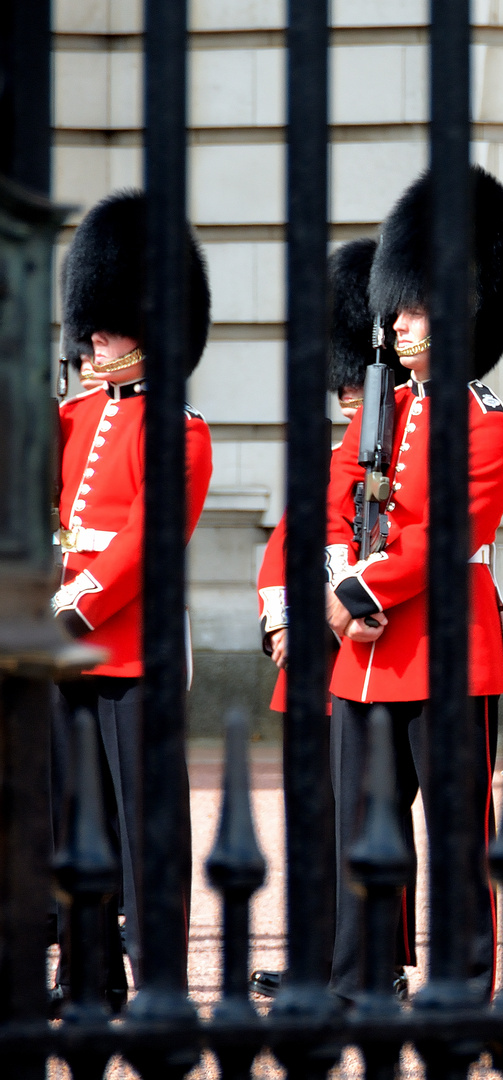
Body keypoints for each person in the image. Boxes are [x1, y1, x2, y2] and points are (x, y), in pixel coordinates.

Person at [322, 166, 503, 1000]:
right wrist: (343, 578)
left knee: (456, 833)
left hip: (443, 648)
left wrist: (359, 595)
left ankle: (465, 981)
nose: (400, 324)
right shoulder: (383, 412)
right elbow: (333, 503)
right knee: (363, 830)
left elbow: (446, 537)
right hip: (363, 655)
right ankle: (361, 976)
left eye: (415, 309)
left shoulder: (488, 425)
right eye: (397, 308)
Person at [50, 189, 214, 1001]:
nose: (93, 338)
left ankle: (158, 980)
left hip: (127, 640)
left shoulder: (179, 430)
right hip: (66, 644)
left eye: (108, 325)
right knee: (77, 822)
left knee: (148, 828)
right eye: (93, 324)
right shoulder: (75, 418)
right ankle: (86, 976)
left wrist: (76, 600)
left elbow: (150, 540)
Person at [248, 238, 410, 1001]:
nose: (350, 395)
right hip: (312, 653)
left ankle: (371, 960)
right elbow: (290, 538)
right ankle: (317, 956)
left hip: (360, 642)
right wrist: (282, 617)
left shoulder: (399, 435)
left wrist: (334, 610)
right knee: (314, 817)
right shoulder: (333, 443)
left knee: (364, 816)